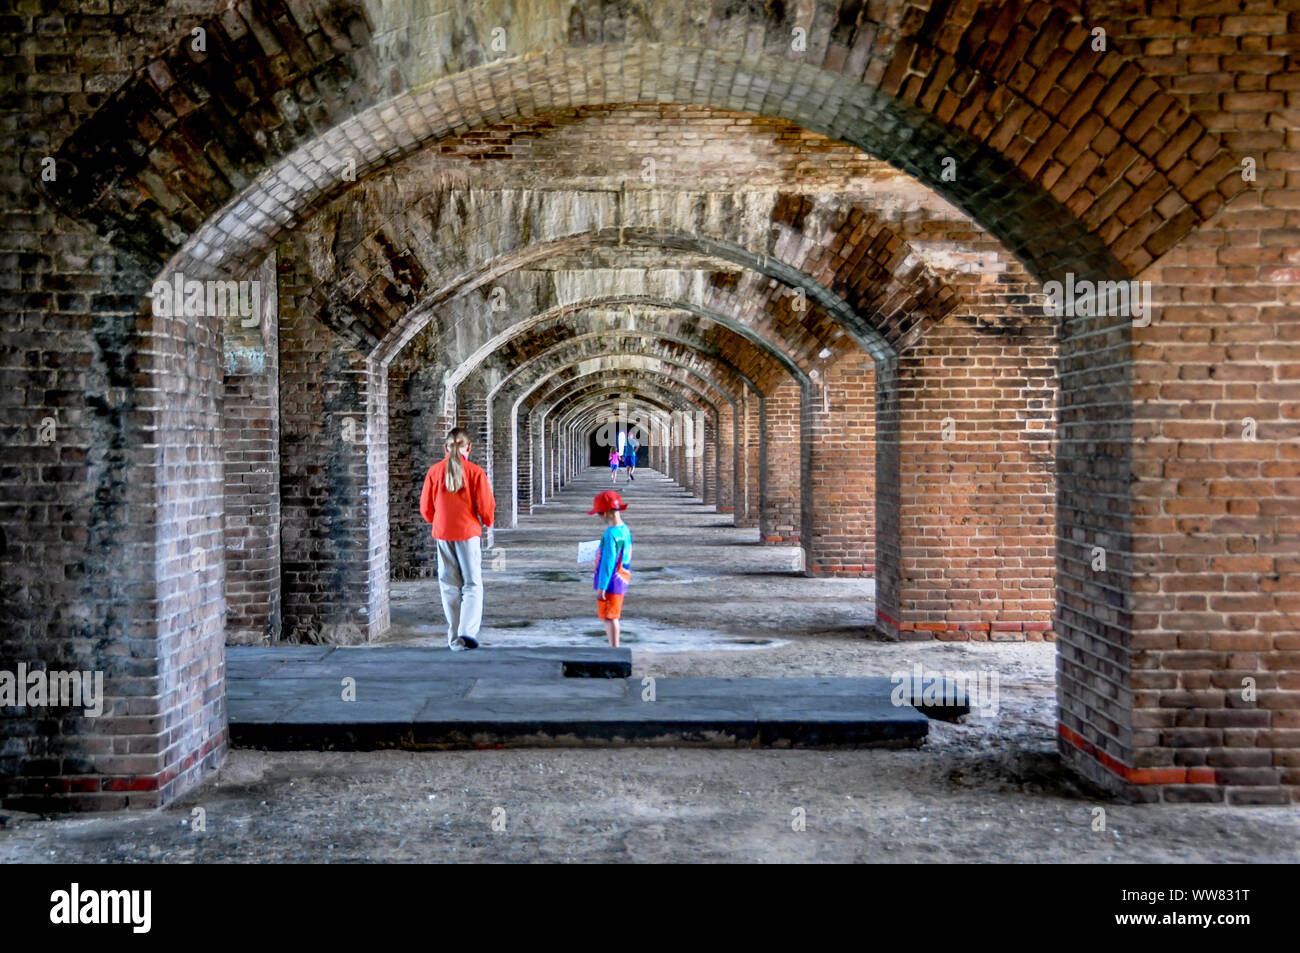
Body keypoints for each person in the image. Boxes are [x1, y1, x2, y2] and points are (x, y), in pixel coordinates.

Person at [419, 427, 495, 651]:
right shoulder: (475, 472)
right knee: (472, 584)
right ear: (469, 448)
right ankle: (466, 632)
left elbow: (425, 508)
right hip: (468, 533)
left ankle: (454, 639)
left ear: (446, 447)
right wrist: (488, 521)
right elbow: (486, 506)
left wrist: (437, 520)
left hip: (443, 533)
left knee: (449, 586)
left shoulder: (434, 471)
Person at [589, 490, 632, 648]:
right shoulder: (624, 529)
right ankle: (614, 647)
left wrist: (602, 587)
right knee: (612, 615)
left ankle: (614, 649)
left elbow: (608, 562)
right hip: (622, 578)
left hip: (611, 582)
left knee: (610, 617)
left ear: (606, 513)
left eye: (599, 514)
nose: (599, 517)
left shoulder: (610, 534)